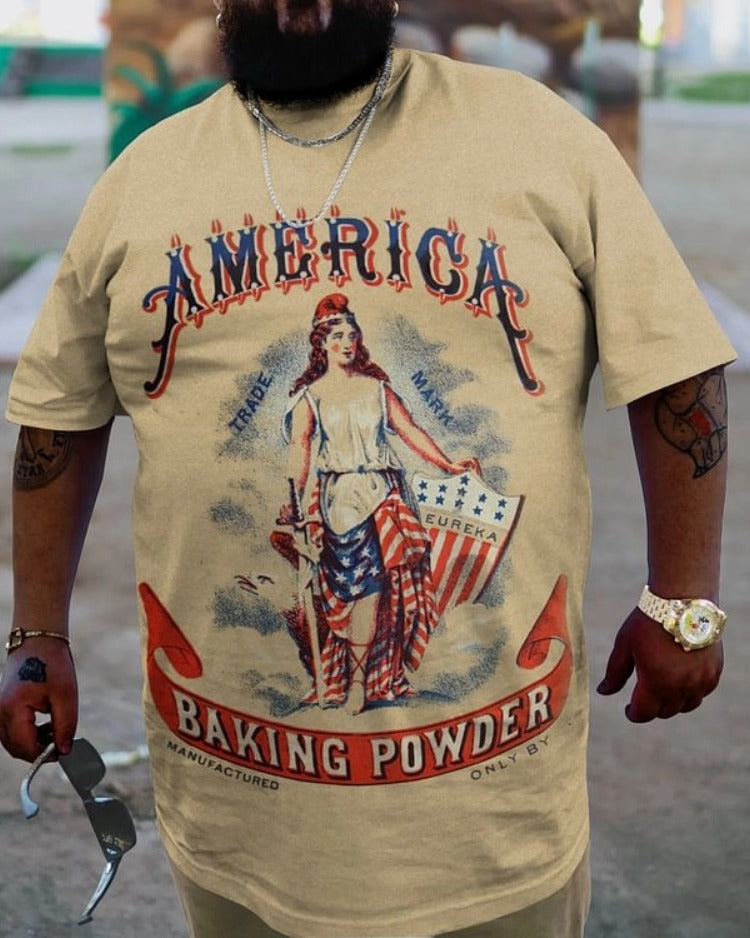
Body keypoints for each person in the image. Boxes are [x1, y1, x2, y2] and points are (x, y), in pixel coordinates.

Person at [0, 1, 735, 937]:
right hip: (237, 824)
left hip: (494, 837)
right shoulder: (145, 177)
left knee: (395, 597)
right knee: (332, 603)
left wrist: (684, 602)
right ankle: (333, 685)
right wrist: (38, 637)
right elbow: (58, 420)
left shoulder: (539, 137)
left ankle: (382, 681)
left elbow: (676, 368)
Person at [275, 291, 480, 715]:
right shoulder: (310, 398)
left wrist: (447, 463)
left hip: (381, 497)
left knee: (374, 591)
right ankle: (346, 677)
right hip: (335, 503)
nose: (347, 343)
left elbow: (410, 430)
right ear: (322, 344)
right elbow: (300, 450)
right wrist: (293, 501)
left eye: (352, 335)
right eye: (337, 336)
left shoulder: (377, 390)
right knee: (343, 597)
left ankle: (360, 684)